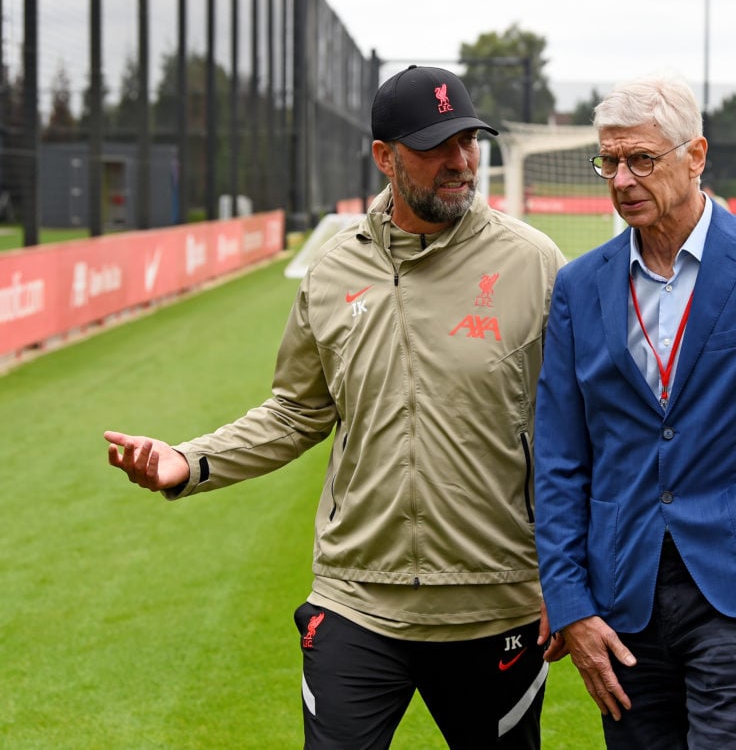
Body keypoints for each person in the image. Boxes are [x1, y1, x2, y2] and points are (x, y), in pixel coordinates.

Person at [104, 65, 566, 749]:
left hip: (493, 603)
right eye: (437, 145)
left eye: (468, 141)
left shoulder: (535, 263)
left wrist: (570, 574)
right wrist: (190, 460)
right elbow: (296, 410)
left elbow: (579, 430)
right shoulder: (332, 271)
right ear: (384, 157)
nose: (460, 162)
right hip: (357, 599)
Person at [533, 73, 736, 749]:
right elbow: (561, 458)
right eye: (610, 161)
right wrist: (569, 602)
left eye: (642, 159)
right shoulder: (578, 285)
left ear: (696, 154)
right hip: (621, 594)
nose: (622, 178)